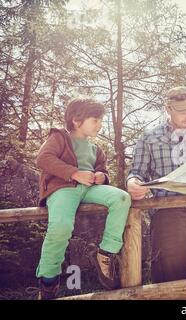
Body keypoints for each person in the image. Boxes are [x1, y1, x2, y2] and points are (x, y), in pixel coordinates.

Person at [35, 98, 131, 299]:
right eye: (95, 120)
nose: (100, 125)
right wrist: (74, 173)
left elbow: (103, 172)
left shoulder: (96, 149)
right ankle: (48, 280)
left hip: (90, 190)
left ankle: (106, 253)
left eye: (100, 120)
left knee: (121, 198)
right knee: (60, 226)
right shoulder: (59, 138)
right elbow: (43, 159)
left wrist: (101, 177)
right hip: (63, 188)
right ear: (77, 121)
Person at [127, 86, 186, 284]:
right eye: (183, 111)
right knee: (169, 279)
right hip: (167, 214)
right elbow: (136, 173)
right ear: (168, 109)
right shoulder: (149, 138)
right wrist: (133, 183)